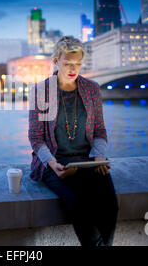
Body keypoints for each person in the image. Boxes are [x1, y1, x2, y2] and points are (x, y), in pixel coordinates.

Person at [28, 36, 119, 246]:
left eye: (78, 64)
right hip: (55, 163)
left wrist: (99, 156)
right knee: (79, 205)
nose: (73, 69)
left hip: (88, 160)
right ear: (56, 60)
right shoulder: (41, 91)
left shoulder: (91, 89)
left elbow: (99, 131)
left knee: (110, 205)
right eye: (68, 63)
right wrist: (53, 164)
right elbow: (36, 138)